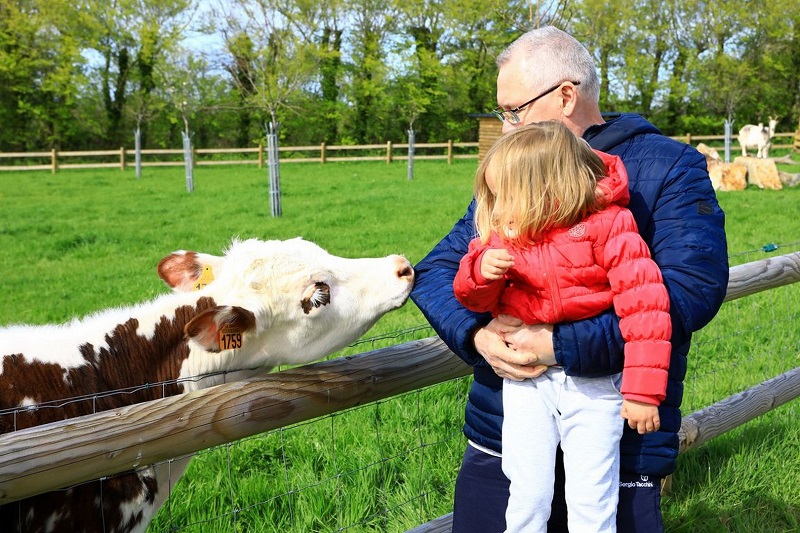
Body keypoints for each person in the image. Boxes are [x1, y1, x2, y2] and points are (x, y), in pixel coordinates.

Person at [410, 25, 729, 533]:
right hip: (504, 429)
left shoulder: (668, 168)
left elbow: (689, 291)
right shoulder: (518, 172)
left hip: (620, 430)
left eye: (514, 111)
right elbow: (436, 270)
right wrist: (478, 336)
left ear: (564, 95)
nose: (507, 127)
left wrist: (559, 344)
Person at [453, 121, 672, 532]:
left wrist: (643, 392)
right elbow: (473, 301)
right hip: (527, 385)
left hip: (594, 384)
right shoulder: (503, 238)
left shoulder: (609, 226)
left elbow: (646, 309)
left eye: (507, 196)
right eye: (494, 197)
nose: (497, 209)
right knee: (528, 491)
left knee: (592, 494)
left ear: (546, 189)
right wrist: (481, 273)